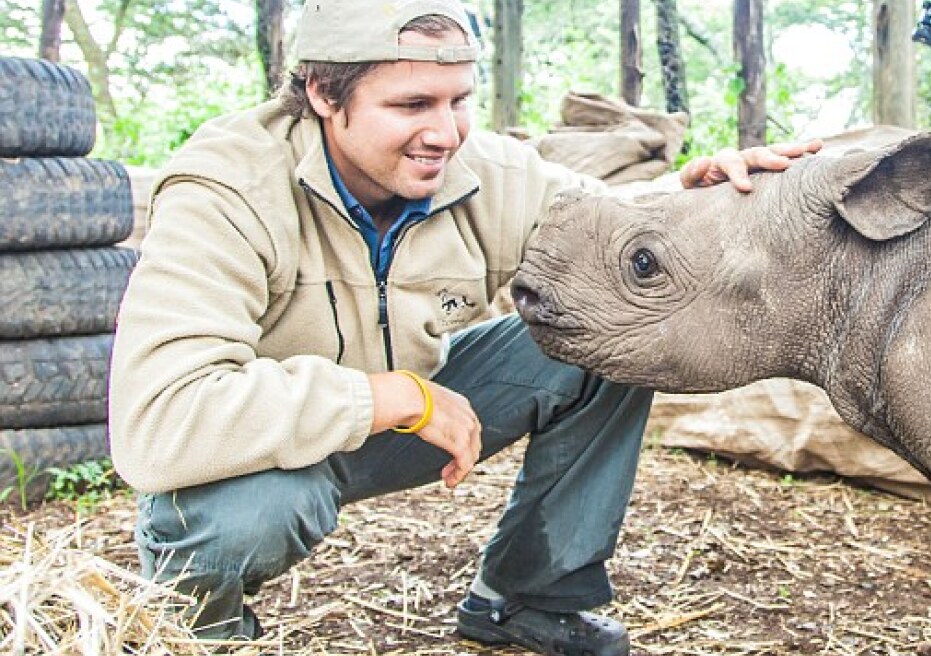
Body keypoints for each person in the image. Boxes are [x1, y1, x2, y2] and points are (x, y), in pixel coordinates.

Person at [107, 1, 821, 654]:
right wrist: (391, 399)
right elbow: (162, 419)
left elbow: (601, 229)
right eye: (412, 103)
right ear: (325, 94)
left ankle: (528, 598)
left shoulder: (478, 169)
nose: (444, 133)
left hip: (399, 419)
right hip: (268, 455)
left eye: (459, 101)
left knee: (606, 332)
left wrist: (694, 198)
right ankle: (198, 631)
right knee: (251, 516)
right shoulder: (227, 189)